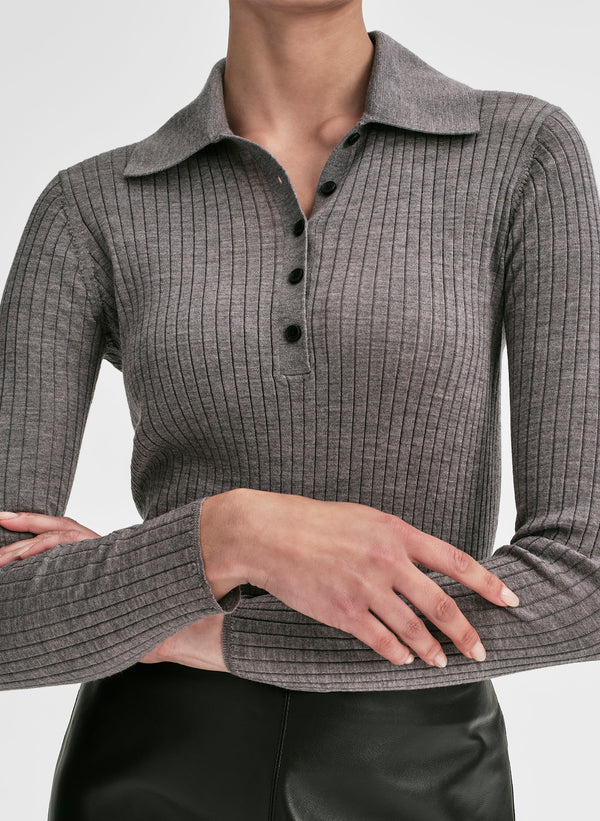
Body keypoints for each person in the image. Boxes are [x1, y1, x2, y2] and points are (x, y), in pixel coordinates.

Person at [0, 0, 598, 818]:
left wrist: (214, 635)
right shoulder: (91, 206)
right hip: (148, 773)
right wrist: (233, 532)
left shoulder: (521, 156)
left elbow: (585, 575)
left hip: (420, 776)